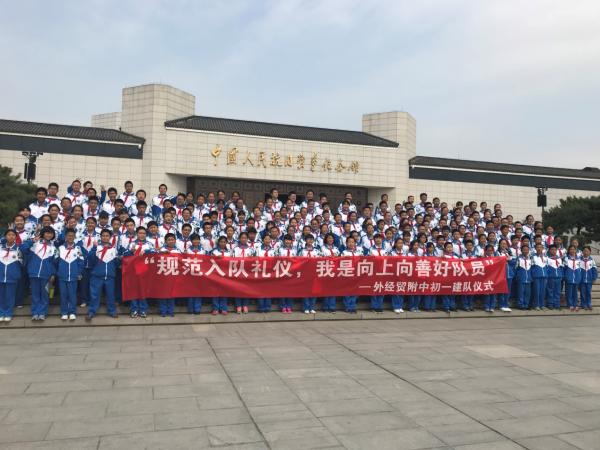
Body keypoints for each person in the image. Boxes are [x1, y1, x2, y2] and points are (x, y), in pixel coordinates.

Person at [21, 226, 57, 321]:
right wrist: (32, 241)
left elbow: (54, 263)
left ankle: (42, 313)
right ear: (43, 233)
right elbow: (23, 248)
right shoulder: (35, 244)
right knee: (35, 294)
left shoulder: (53, 247)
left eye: (51, 233)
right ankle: (35, 312)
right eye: (47, 233)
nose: (49, 235)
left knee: (45, 294)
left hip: (46, 275)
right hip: (33, 273)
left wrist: (53, 274)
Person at [87, 229, 120, 321]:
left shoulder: (113, 249)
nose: (105, 237)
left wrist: (118, 259)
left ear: (110, 237)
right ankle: (91, 312)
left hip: (110, 277)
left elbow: (116, 264)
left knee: (110, 295)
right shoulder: (96, 247)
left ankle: (112, 311)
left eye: (107, 236)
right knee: (94, 295)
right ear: (100, 237)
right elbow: (90, 259)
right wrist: (94, 248)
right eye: (103, 236)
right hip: (97, 276)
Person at [54, 228, 84, 321]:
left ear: (74, 237)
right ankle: (64, 312)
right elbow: (55, 262)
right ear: (65, 237)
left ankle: (72, 312)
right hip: (62, 276)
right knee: (63, 295)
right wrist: (58, 272)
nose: (70, 237)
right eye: (68, 236)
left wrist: (79, 273)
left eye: (72, 236)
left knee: (72, 295)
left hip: (74, 276)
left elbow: (81, 262)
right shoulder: (60, 248)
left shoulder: (78, 248)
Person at [125, 227, 156, 318]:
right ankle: (134, 310)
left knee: (143, 290)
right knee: (134, 290)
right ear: (137, 234)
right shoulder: (132, 244)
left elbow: (155, 253)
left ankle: (143, 310)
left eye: (144, 233)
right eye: (140, 233)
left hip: (146, 271)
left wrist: (146, 251)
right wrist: (131, 252)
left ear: (146, 235)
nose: (142, 235)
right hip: (133, 271)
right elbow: (124, 254)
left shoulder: (149, 244)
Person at [0, 230, 23, 322]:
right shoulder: (1, 247)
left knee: (10, 296)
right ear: (5, 236)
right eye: (9, 235)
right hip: (1, 276)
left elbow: (21, 263)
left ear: (16, 237)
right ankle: (1, 313)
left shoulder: (18, 248)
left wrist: (15, 273)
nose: (11, 236)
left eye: (13, 235)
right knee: (1, 296)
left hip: (12, 277)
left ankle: (8, 313)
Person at [157, 233, 181, 317]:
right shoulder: (161, 250)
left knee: (172, 294)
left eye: (172, 240)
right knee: (162, 294)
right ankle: (163, 311)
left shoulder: (178, 250)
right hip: (163, 275)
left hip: (173, 275)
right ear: (165, 241)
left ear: (175, 241)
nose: (171, 241)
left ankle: (171, 311)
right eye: (169, 240)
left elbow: (181, 262)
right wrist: (161, 252)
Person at [233, 232, 255, 314]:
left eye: (245, 238)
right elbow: (231, 260)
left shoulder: (251, 249)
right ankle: (238, 305)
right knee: (237, 289)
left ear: (247, 239)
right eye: (242, 238)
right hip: (237, 271)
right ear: (239, 239)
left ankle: (245, 305)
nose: (243, 239)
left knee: (246, 289)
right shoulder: (235, 249)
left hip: (247, 272)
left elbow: (254, 261)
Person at [275, 234, 298, 313]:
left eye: (289, 240)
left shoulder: (295, 250)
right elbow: (276, 260)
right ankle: (283, 306)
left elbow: (298, 261)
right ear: (283, 241)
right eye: (286, 240)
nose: (288, 241)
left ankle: (289, 306)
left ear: (291, 241)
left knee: (290, 290)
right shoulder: (279, 250)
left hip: (292, 272)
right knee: (282, 290)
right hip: (282, 272)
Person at [185, 234, 205, 314]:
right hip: (190, 273)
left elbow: (206, 261)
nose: (196, 241)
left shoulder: (203, 250)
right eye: (194, 239)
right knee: (190, 292)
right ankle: (190, 309)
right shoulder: (187, 250)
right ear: (191, 241)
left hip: (200, 273)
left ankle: (197, 309)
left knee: (198, 292)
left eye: (197, 239)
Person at [299, 234, 319, 314]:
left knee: (314, 291)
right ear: (305, 240)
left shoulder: (317, 251)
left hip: (315, 273)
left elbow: (320, 260)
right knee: (305, 291)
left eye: (311, 239)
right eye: (308, 239)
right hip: (305, 273)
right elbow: (298, 262)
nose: (310, 240)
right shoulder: (302, 251)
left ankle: (312, 307)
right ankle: (306, 307)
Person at [211, 236, 231, 315]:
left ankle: (224, 308)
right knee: (215, 292)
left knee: (224, 291)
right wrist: (216, 258)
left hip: (226, 274)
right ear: (218, 242)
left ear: (226, 243)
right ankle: (215, 308)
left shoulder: (230, 252)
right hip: (216, 273)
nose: (222, 243)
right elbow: (209, 261)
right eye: (221, 242)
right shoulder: (214, 251)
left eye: (224, 242)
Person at [564, 245, 582, 311]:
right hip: (569, 278)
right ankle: (570, 304)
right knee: (569, 292)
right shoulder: (566, 259)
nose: (572, 250)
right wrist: (566, 276)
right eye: (571, 249)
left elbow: (580, 269)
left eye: (573, 249)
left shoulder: (579, 259)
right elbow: (564, 269)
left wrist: (579, 277)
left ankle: (575, 304)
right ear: (568, 251)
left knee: (575, 292)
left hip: (576, 278)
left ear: (575, 250)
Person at [545, 244, 563, 310]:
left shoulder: (559, 259)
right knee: (550, 291)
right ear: (549, 250)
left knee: (557, 291)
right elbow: (546, 268)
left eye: (555, 250)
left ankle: (557, 304)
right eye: (552, 249)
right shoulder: (547, 259)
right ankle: (550, 304)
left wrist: (561, 275)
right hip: (551, 277)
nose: (553, 251)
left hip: (558, 277)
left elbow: (561, 268)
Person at [531, 242, 548, 311]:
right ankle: (536, 305)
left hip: (544, 276)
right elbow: (531, 266)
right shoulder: (533, 257)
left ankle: (542, 304)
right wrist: (534, 274)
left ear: (543, 248)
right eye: (538, 247)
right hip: (536, 276)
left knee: (543, 291)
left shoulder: (545, 257)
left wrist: (546, 274)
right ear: (535, 248)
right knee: (536, 291)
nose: (539, 249)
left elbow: (547, 266)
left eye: (540, 247)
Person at [579, 246, 597, 310]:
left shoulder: (592, 260)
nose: (585, 252)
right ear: (582, 252)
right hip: (582, 280)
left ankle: (589, 304)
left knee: (588, 292)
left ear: (590, 252)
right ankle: (583, 304)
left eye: (587, 251)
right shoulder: (579, 260)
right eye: (584, 251)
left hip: (589, 280)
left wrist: (594, 278)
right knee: (582, 292)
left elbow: (594, 270)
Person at [516, 245, 533, 310]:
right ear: (521, 250)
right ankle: (520, 305)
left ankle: (526, 304)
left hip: (528, 278)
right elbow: (516, 268)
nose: (526, 251)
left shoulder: (530, 259)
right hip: (521, 278)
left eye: (527, 250)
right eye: (524, 250)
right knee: (521, 292)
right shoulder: (518, 258)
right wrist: (518, 276)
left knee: (527, 293)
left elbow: (532, 268)